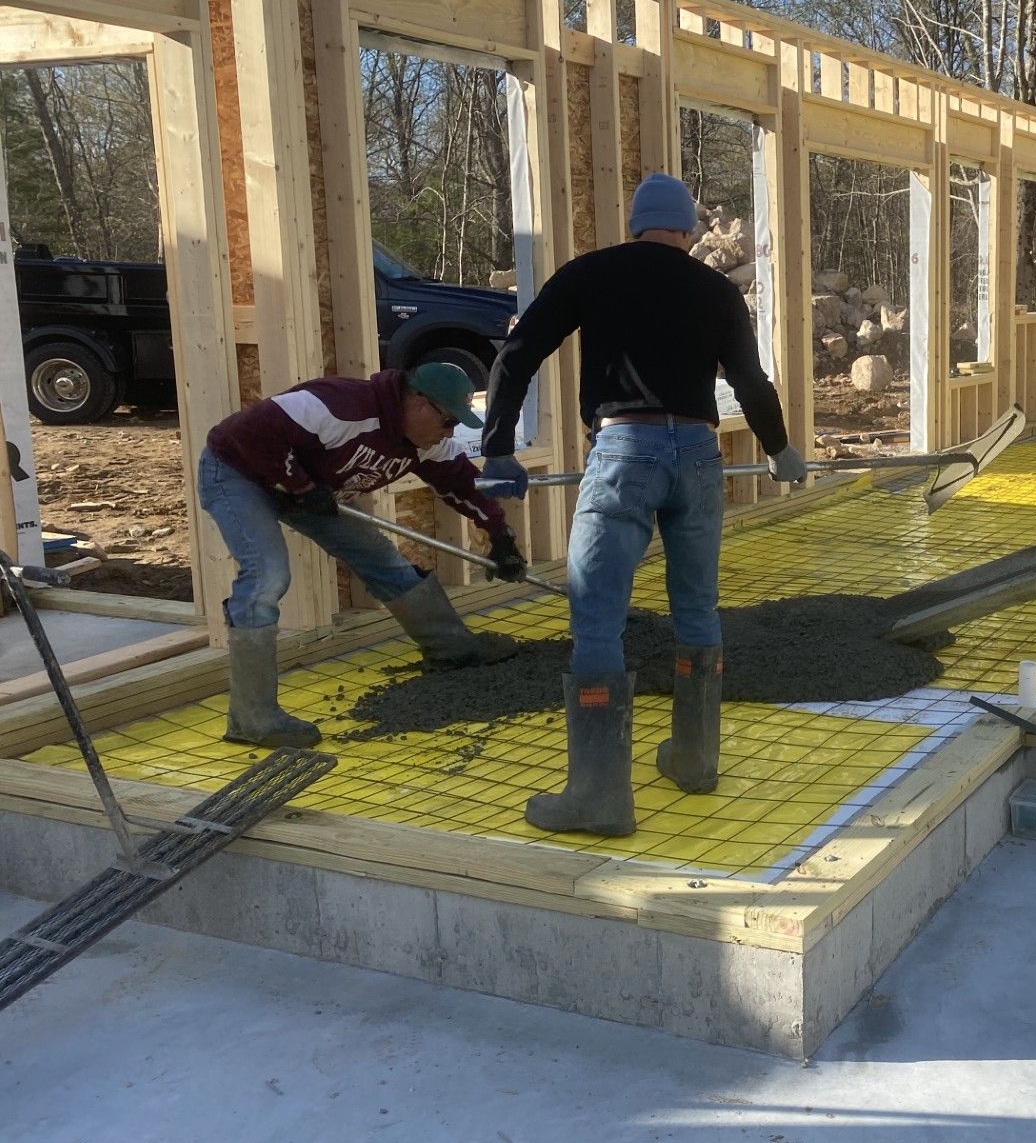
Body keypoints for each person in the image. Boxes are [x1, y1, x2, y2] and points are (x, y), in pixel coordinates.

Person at [480, 173, 805, 835]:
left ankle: (598, 797)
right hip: (698, 457)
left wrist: (498, 448)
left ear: (637, 223)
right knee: (697, 609)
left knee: (597, 620)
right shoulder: (716, 291)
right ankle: (695, 759)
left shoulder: (592, 274)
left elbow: (516, 355)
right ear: (687, 231)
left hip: (625, 453)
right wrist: (779, 448)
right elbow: (749, 380)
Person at [200, 362, 527, 747]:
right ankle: (252, 720)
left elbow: (461, 483)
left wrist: (499, 533)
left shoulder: (428, 441)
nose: (449, 432)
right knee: (267, 575)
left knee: (382, 559)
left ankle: (452, 651)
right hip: (238, 472)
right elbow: (249, 433)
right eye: (447, 421)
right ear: (420, 403)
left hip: (305, 490)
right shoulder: (341, 406)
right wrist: (301, 486)